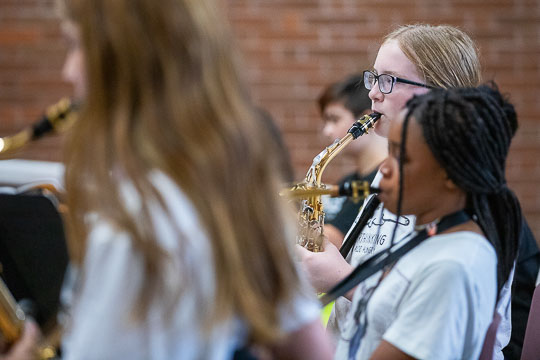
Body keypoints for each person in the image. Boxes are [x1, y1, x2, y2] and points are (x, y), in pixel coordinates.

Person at [53, 0, 334, 359]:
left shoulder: (133, 231)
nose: (68, 72)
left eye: (76, 46)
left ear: (124, 65)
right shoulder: (234, 196)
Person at [298, 24, 539, 358]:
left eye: (389, 80)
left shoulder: (465, 222)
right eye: (374, 77)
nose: (373, 94)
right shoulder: (389, 182)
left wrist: (341, 279)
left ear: (439, 95)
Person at [335, 84, 522, 359]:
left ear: (450, 173)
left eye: (401, 157)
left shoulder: (452, 265)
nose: (384, 168)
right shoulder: (427, 238)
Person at [318, 74, 387, 249]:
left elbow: (336, 240)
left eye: (334, 119)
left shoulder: (382, 180)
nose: (327, 131)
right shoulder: (347, 182)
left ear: (365, 120)